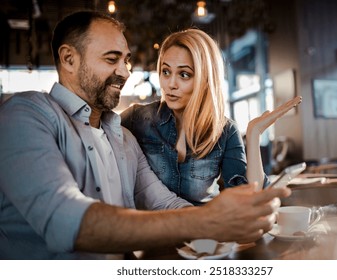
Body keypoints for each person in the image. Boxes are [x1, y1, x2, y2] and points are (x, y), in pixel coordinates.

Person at [0, 11, 291, 260]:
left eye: (126, 60)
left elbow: (165, 204)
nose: (125, 73)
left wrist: (224, 223)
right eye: (112, 59)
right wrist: (208, 220)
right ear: (69, 59)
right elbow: (65, 220)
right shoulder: (27, 115)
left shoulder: (122, 138)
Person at [121, 28, 302, 204]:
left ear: (205, 79)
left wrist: (254, 135)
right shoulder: (138, 118)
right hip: (153, 231)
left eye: (184, 75)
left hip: (205, 231)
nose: (171, 84)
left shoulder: (225, 131)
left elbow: (249, 198)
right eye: (166, 72)